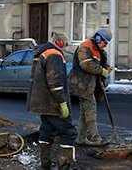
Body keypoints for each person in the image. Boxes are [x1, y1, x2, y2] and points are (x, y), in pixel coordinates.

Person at [27, 32, 76, 170]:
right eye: (65, 44)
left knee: (46, 132)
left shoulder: (42, 52)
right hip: (53, 104)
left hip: (43, 103)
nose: (65, 48)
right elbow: (55, 81)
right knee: (68, 132)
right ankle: (64, 166)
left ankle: (46, 165)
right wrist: (62, 102)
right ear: (59, 42)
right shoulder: (54, 55)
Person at [69, 28, 113, 146]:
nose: (105, 46)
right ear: (98, 38)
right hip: (81, 84)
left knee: (85, 112)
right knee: (91, 110)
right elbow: (86, 64)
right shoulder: (85, 46)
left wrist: (106, 68)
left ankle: (81, 138)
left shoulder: (99, 50)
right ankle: (96, 138)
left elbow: (97, 63)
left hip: (88, 84)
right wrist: (102, 71)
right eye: (105, 43)